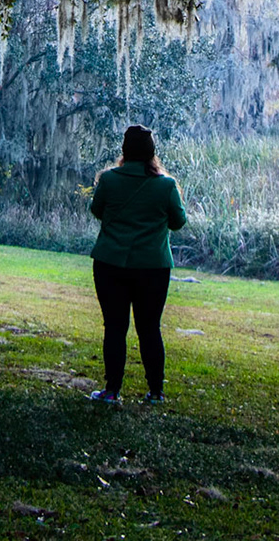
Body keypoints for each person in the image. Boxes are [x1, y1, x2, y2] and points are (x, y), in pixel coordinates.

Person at [87, 123, 188, 405]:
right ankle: (156, 392)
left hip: (111, 264)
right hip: (152, 267)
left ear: (124, 150)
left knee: (115, 327)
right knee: (150, 328)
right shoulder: (166, 185)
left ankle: (112, 390)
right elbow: (178, 222)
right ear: (152, 153)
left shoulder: (109, 179)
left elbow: (97, 211)